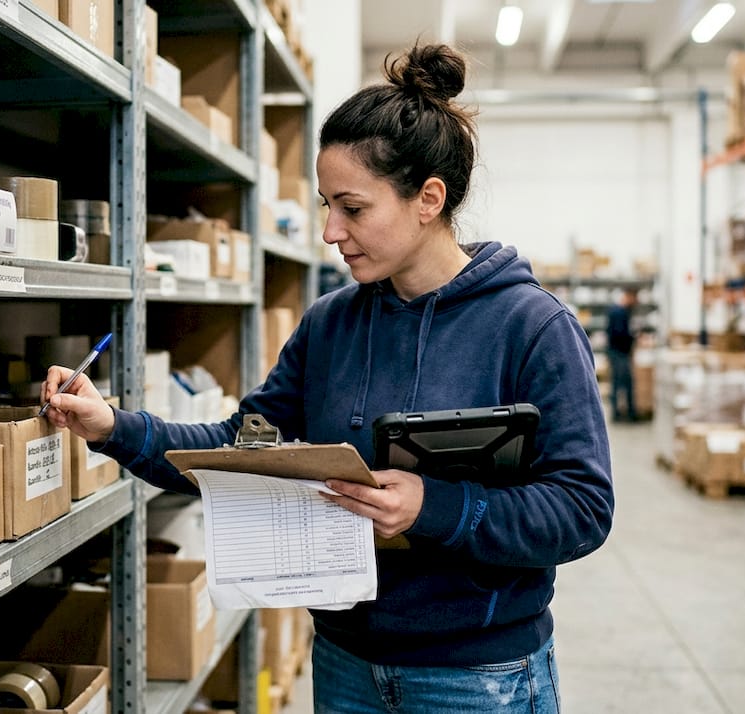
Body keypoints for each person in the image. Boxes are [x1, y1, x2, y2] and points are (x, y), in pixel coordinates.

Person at [42, 43, 613, 714]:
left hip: (476, 676)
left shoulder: (532, 327)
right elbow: (238, 448)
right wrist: (115, 426)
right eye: (324, 205)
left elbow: (582, 508)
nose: (329, 231)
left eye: (352, 207)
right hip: (345, 666)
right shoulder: (331, 324)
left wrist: (436, 507)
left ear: (429, 198)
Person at [605, 289, 637, 422]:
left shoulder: (617, 311)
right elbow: (619, 334)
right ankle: (625, 413)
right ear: (627, 296)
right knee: (622, 384)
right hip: (619, 353)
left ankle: (621, 413)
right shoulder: (619, 312)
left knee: (619, 383)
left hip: (617, 352)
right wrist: (632, 338)